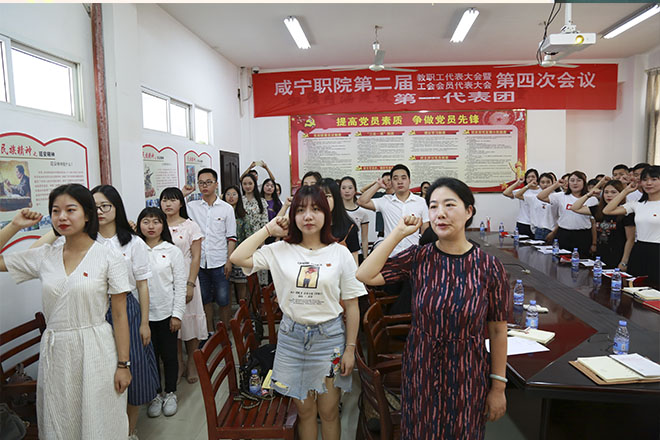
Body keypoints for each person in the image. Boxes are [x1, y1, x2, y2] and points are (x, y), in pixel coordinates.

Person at [356, 177, 509, 439]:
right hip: (422, 367)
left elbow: (497, 330)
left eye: (449, 205)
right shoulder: (419, 257)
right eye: (434, 206)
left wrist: (498, 387)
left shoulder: (489, 267)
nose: (440, 213)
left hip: (468, 371)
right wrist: (398, 233)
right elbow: (364, 274)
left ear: (469, 211)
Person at [230, 185, 366, 440]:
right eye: (301, 210)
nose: (308, 216)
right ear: (292, 216)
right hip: (291, 339)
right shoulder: (279, 250)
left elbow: (352, 304)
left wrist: (350, 348)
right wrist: (269, 229)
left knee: (328, 412)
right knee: (304, 412)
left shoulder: (340, 253)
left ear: (326, 214)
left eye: (315, 209)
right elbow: (238, 257)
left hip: (329, 339)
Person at [0, 184, 131, 439]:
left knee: (99, 419)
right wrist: (14, 225)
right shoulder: (45, 255)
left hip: (96, 349)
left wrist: (123, 365)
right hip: (57, 352)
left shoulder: (108, 257)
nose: (62, 217)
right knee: (60, 418)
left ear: (87, 214)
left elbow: (119, 315)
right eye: (56, 211)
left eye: (71, 210)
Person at [92, 185, 159, 439]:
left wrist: (144, 322)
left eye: (105, 206)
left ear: (116, 207)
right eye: (94, 207)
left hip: (128, 310)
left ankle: (129, 431)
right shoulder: (87, 241)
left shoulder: (133, 242)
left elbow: (142, 285)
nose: (100, 211)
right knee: (103, 371)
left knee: (133, 368)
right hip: (96, 309)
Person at [137, 207, 186, 418]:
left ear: (163, 225)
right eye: (146, 222)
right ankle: (155, 394)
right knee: (151, 357)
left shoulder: (172, 251)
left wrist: (177, 314)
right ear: (139, 224)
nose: (151, 226)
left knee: (169, 355)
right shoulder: (135, 249)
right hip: (142, 316)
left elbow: (180, 285)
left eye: (156, 222)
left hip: (166, 313)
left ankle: (171, 392)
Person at [159, 187, 207, 384]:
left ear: (181, 203)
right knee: (173, 324)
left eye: (172, 200)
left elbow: (196, 257)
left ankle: (192, 364)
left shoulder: (190, 226)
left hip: (187, 276)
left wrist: (190, 284)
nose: (168, 204)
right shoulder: (157, 225)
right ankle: (178, 363)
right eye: (164, 200)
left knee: (190, 320)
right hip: (164, 281)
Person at [183, 168, 236, 334]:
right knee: (205, 299)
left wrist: (229, 261)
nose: (204, 186)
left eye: (208, 182)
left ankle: (224, 332)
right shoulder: (191, 207)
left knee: (223, 299)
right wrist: (183, 193)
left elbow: (231, 237)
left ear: (216, 184)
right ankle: (210, 332)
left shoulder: (226, 208)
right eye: (201, 183)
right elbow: (170, 207)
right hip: (199, 262)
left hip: (220, 261)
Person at [604, 166, 660, 284]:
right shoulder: (637, 205)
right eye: (645, 179)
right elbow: (607, 210)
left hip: (657, 251)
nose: (649, 183)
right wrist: (625, 191)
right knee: (634, 286)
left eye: (654, 179)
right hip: (639, 250)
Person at [357, 164, 429, 257]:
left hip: (414, 254)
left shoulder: (421, 202)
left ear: (409, 180)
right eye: (395, 179)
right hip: (390, 255)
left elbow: (425, 230)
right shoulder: (385, 201)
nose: (400, 181)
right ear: (391, 182)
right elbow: (361, 201)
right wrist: (378, 185)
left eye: (403, 178)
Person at [571, 178, 635, 270]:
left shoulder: (626, 211)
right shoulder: (598, 209)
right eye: (606, 192)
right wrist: (589, 194)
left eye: (613, 192)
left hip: (618, 255)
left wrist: (624, 261)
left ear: (621, 194)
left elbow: (630, 239)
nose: (609, 195)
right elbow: (575, 208)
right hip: (600, 255)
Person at [537, 171, 598, 257]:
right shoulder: (561, 196)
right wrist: (556, 185)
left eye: (578, 180)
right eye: (572, 180)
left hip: (583, 235)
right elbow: (540, 196)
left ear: (584, 183)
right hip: (563, 234)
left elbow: (593, 223)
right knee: (561, 261)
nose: (575, 183)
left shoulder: (592, 199)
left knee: (581, 261)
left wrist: (594, 243)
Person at [319, 178, 360, 264]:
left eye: (328, 196)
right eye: (319, 197)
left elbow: (354, 263)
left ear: (336, 198)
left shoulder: (349, 228)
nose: (323, 200)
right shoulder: (309, 227)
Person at [223, 185, 249, 302]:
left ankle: (243, 310)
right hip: (224, 254)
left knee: (241, 285)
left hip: (239, 254)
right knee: (226, 285)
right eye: (228, 194)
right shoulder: (221, 213)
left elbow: (248, 236)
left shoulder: (243, 215)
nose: (231, 197)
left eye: (234, 194)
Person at [241, 173, 269, 284]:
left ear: (254, 184)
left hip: (259, 239)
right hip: (244, 239)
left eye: (250, 183)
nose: (247, 186)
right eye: (245, 184)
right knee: (246, 269)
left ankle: (262, 291)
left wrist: (262, 240)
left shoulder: (261, 201)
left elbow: (265, 222)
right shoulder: (240, 200)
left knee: (259, 266)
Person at [514, 172, 557, 241]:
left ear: (552, 183)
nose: (545, 184)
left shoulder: (557, 196)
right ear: (539, 183)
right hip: (538, 231)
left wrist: (554, 232)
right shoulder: (534, 197)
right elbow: (517, 195)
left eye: (548, 182)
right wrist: (528, 185)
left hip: (552, 231)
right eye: (542, 182)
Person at [502, 168, 539, 237]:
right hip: (523, 223)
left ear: (537, 178)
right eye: (528, 177)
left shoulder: (541, 190)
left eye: (533, 177)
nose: (531, 179)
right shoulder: (522, 191)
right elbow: (506, 193)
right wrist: (518, 183)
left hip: (537, 224)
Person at [340, 176, 370, 259]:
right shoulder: (335, 211)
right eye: (343, 188)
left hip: (356, 253)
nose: (347, 191)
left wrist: (365, 258)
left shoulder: (362, 213)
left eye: (350, 188)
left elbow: (364, 238)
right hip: (339, 253)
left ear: (355, 190)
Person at [361, 171, 393, 239]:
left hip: (394, 228)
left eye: (389, 180)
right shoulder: (380, 195)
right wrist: (376, 183)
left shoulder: (398, 196)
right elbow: (363, 190)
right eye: (384, 180)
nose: (387, 182)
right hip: (381, 230)